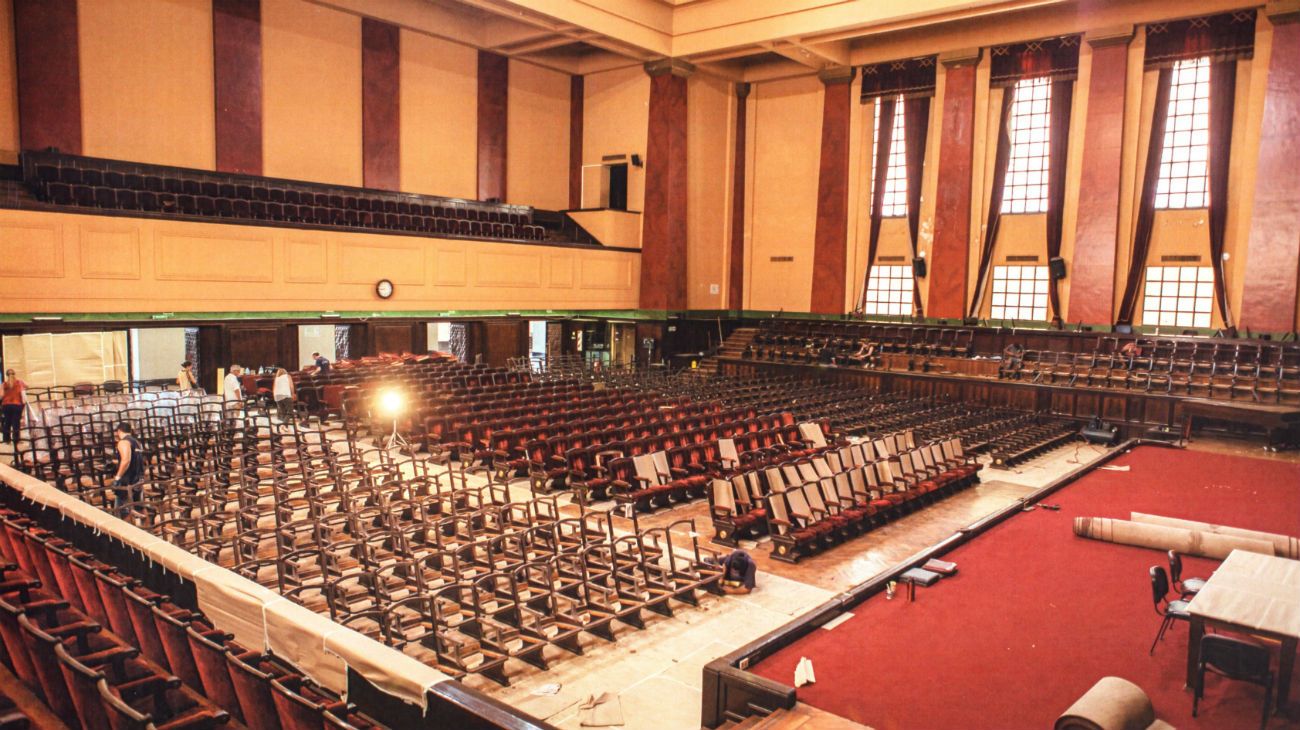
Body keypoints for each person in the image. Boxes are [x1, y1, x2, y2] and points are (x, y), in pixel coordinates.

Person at [111, 422, 145, 517]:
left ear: (119, 431)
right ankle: (145, 529)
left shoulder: (123, 442)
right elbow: (136, 460)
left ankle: (123, 530)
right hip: (138, 479)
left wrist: (117, 477)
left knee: (122, 511)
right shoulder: (138, 443)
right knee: (140, 508)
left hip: (127, 480)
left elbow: (126, 460)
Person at [1, 368, 27, 447]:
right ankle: (16, 439)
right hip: (17, 405)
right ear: (14, 374)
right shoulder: (19, 383)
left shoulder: (3, 384)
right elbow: (26, 388)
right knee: (16, 423)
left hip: (6, 405)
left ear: (6, 375)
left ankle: (6, 440)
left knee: (7, 422)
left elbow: (1, 395)